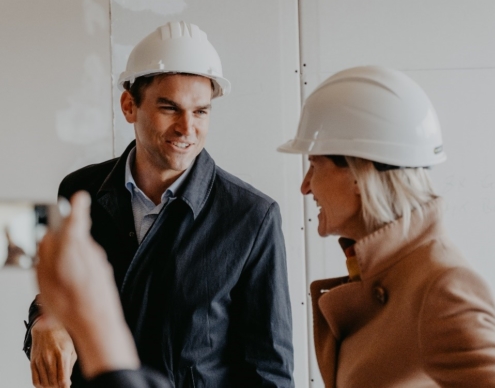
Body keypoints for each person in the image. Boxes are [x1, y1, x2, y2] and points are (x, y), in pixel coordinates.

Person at [24, 21, 294, 388]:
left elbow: (270, 373)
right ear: (128, 105)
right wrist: (45, 321)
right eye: (170, 108)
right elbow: (51, 291)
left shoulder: (252, 217)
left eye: (200, 111)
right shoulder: (77, 190)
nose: (187, 127)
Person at [278, 65, 495, 387]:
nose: (306, 186)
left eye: (314, 164)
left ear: (357, 172)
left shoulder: (442, 288)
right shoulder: (388, 272)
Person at [36, 191, 171, 388]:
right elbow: (67, 286)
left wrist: (95, 329)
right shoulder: (82, 187)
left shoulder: (231, 207)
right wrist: (45, 321)